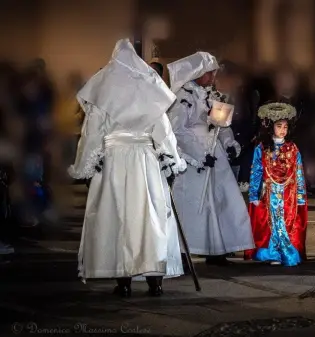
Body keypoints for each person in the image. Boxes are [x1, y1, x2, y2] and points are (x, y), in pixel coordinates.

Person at [68, 39, 187, 297]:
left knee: (118, 217)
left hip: (113, 162)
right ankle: (155, 279)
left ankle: (124, 281)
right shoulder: (149, 89)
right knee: (149, 216)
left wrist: (86, 166)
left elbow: (92, 134)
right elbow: (163, 131)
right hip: (145, 161)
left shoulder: (104, 90)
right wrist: (171, 160)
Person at [167, 52, 254, 266]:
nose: (214, 75)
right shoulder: (181, 97)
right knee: (190, 203)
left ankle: (216, 248)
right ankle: (183, 251)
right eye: (210, 72)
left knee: (219, 200)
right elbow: (177, 131)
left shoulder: (210, 94)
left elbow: (221, 125)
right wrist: (197, 155)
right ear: (198, 73)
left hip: (214, 156)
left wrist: (229, 144)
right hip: (192, 159)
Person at [245, 102, 308, 266]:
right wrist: (253, 194)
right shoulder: (262, 148)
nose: (283, 130)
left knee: (287, 222)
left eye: (285, 127)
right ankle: (273, 253)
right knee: (271, 223)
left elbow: (299, 172)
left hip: (289, 194)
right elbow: (256, 172)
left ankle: (286, 253)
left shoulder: (292, 148)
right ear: (271, 127)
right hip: (270, 192)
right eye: (279, 126)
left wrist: (300, 195)